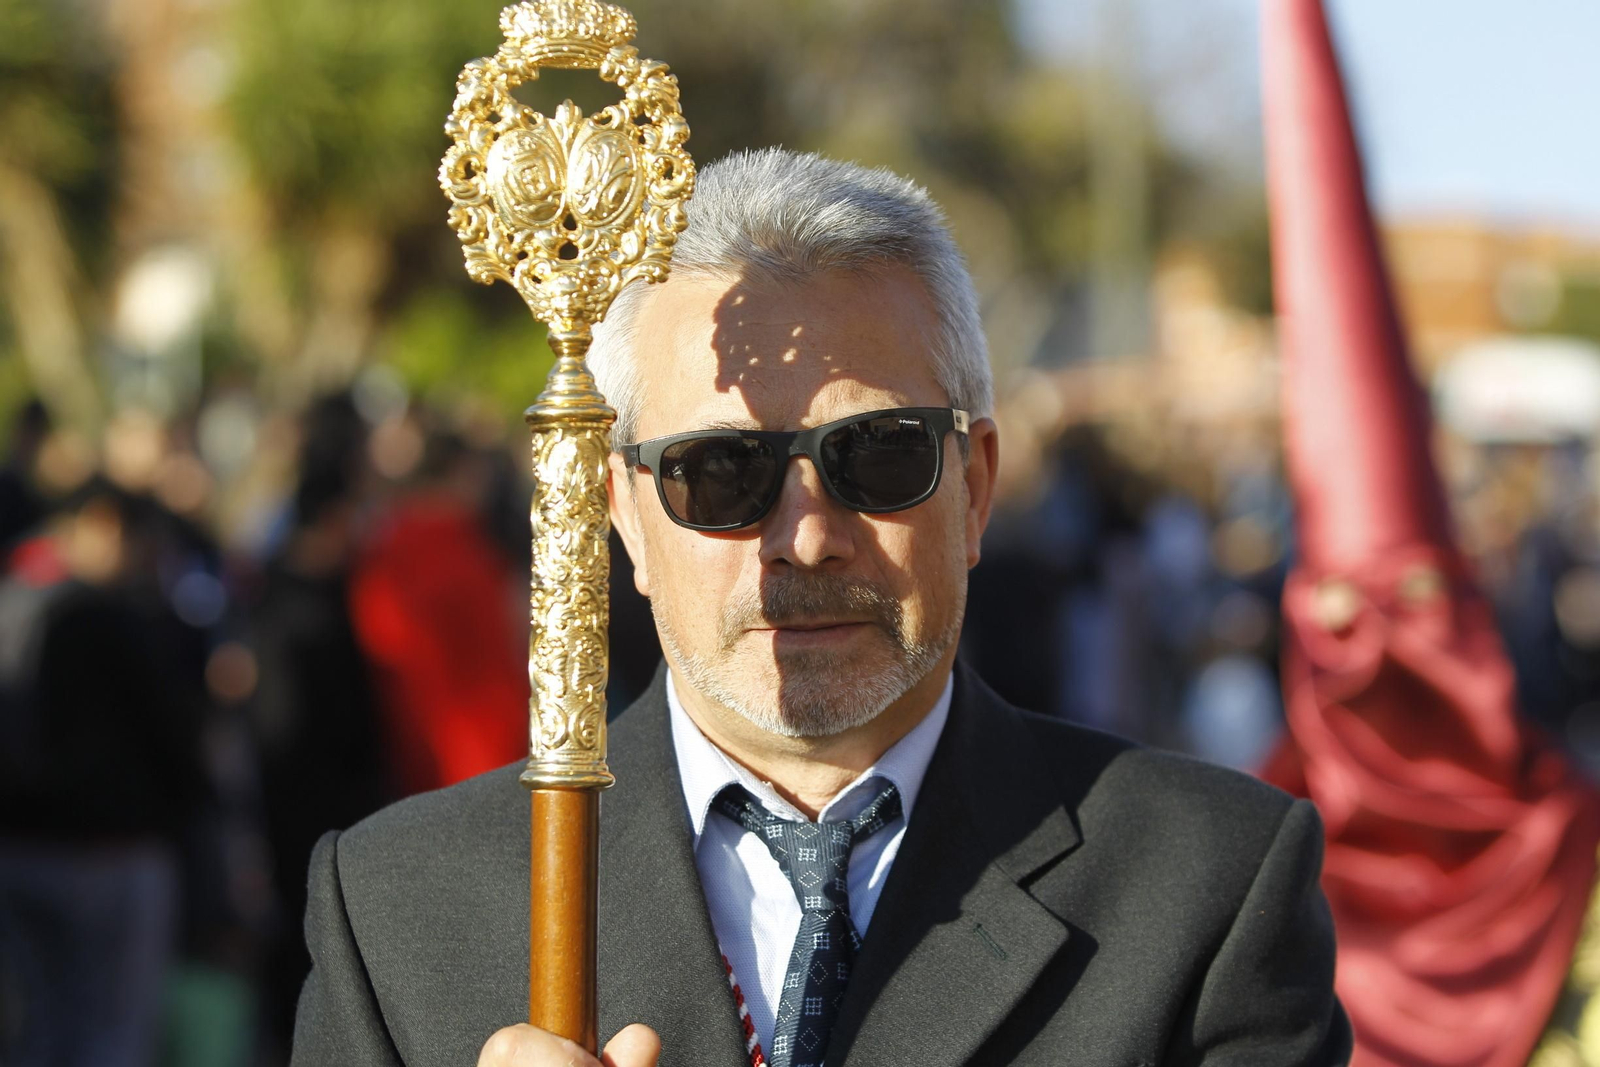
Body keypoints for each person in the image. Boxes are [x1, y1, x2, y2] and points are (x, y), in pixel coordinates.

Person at [290, 149, 1351, 1067]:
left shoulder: (1203, 885)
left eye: (877, 456)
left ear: (974, 486)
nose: (804, 533)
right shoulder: (402, 910)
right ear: (622, 512)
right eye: (720, 471)